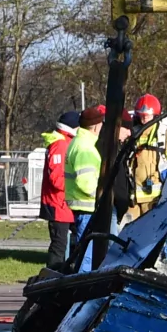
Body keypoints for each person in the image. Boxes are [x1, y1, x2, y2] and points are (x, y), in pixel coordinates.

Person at [123, 94, 167, 221]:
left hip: (154, 199)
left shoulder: (164, 135)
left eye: (147, 116)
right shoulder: (131, 134)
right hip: (132, 200)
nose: (144, 119)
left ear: (155, 115)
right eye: (141, 115)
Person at [63, 104, 105, 255]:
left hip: (79, 206)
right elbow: (86, 183)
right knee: (86, 254)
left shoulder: (77, 142)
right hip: (87, 207)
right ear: (95, 127)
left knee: (82, 250)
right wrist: (102, 196)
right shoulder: (85, 148)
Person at [41, 112, 78, 270]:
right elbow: (57, 179)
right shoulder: (60, 145)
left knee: (69, 242)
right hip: (58, 204)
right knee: (59, 245)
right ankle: (52, 274)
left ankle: (63, 272)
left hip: (63, 203)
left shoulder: (64, 142)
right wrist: (76, 186)